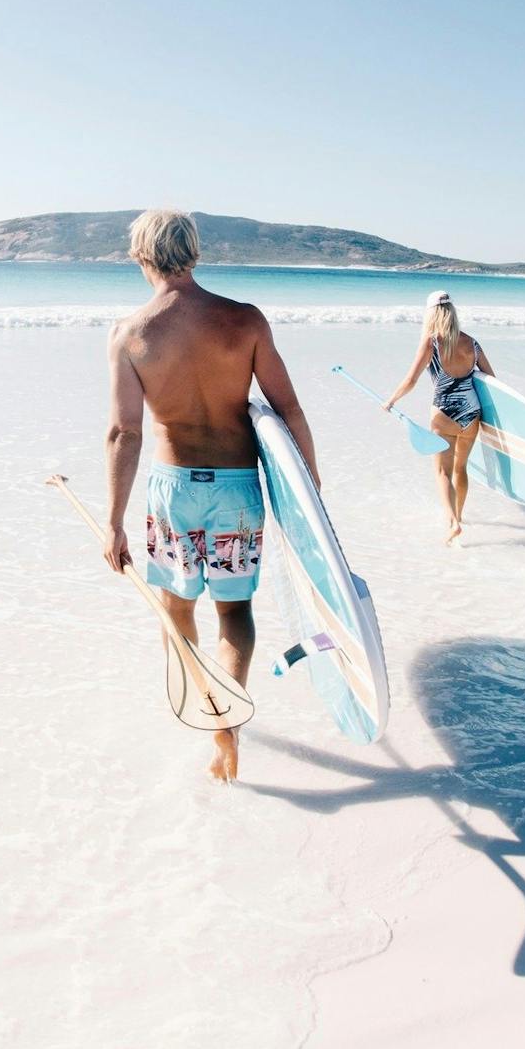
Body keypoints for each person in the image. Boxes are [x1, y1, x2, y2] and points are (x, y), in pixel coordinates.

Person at [103, 209, 318, 783]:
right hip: (239, 488)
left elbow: (125, 432)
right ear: (196, 252)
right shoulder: (244, 321)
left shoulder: (130, 335)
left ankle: (204, 701)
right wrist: (310, 491)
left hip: (172, 491)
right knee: (235, 611)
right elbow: (288, 408)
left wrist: (114, 521)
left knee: (176, 608)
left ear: (139, 256)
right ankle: (227, 721)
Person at [384, 289, 494, 546]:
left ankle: (452, 521)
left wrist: (391, 400)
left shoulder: (432, 342)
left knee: (442, 472)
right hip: (471, 414)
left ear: (431, 314)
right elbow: (492, 381)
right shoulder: (472, 344)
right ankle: (460, 516)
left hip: (444, 414)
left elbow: (411, 379)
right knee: (461, 468)